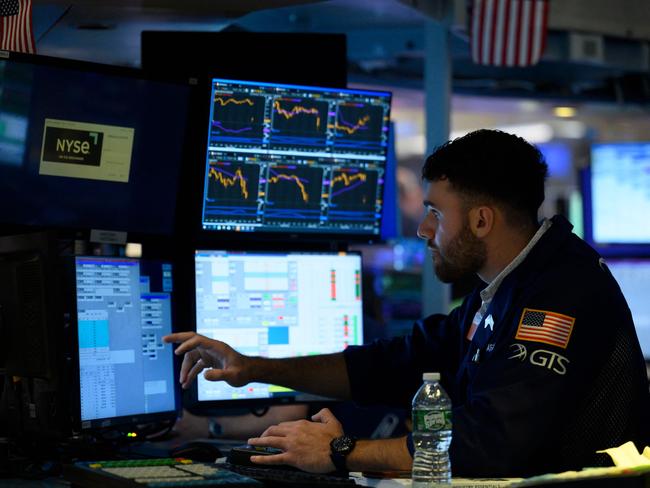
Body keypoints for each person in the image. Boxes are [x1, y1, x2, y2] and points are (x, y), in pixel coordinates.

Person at [164, 129, 650, 478]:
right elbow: (394, 364)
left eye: (436, 213)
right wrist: (254, 367)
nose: (423, 230)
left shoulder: (558, 293)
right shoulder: (509, 287)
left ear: (481, 221)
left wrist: (342, 450)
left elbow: (491, 441)